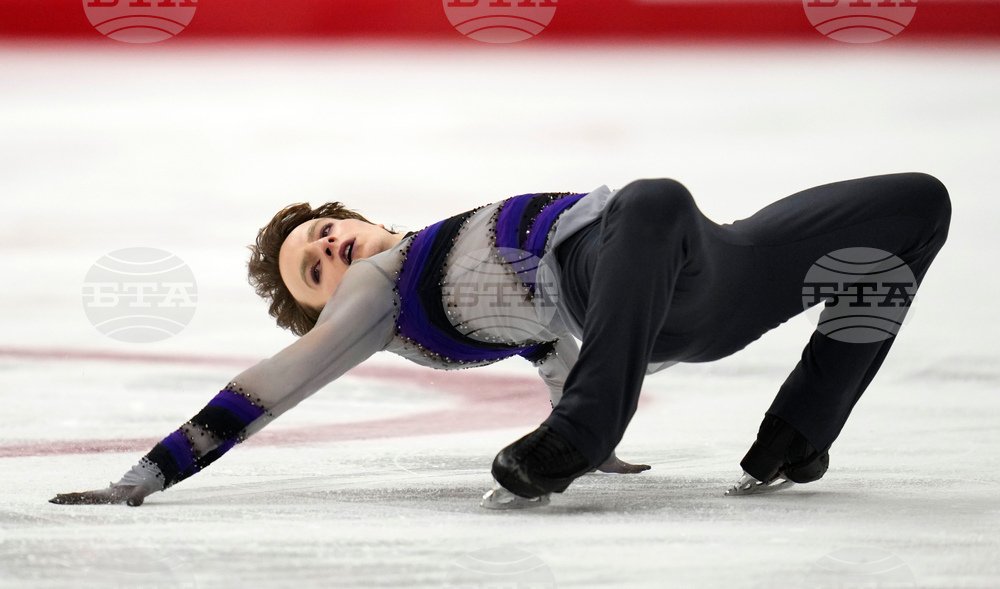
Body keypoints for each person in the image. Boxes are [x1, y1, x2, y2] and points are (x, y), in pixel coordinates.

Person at [50, 173, 951, 507]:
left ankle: (799, 432)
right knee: (653, 197)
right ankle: (582, 437)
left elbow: (548, 350)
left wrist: (573, 406)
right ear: (329, 304)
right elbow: (276, 380)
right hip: (634, 256)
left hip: (713, 269)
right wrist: (149, 472)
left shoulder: (438, 250)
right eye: (312, 269)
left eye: (326, 231)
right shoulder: (382, 294)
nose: (329, 248)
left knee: (915, 209)